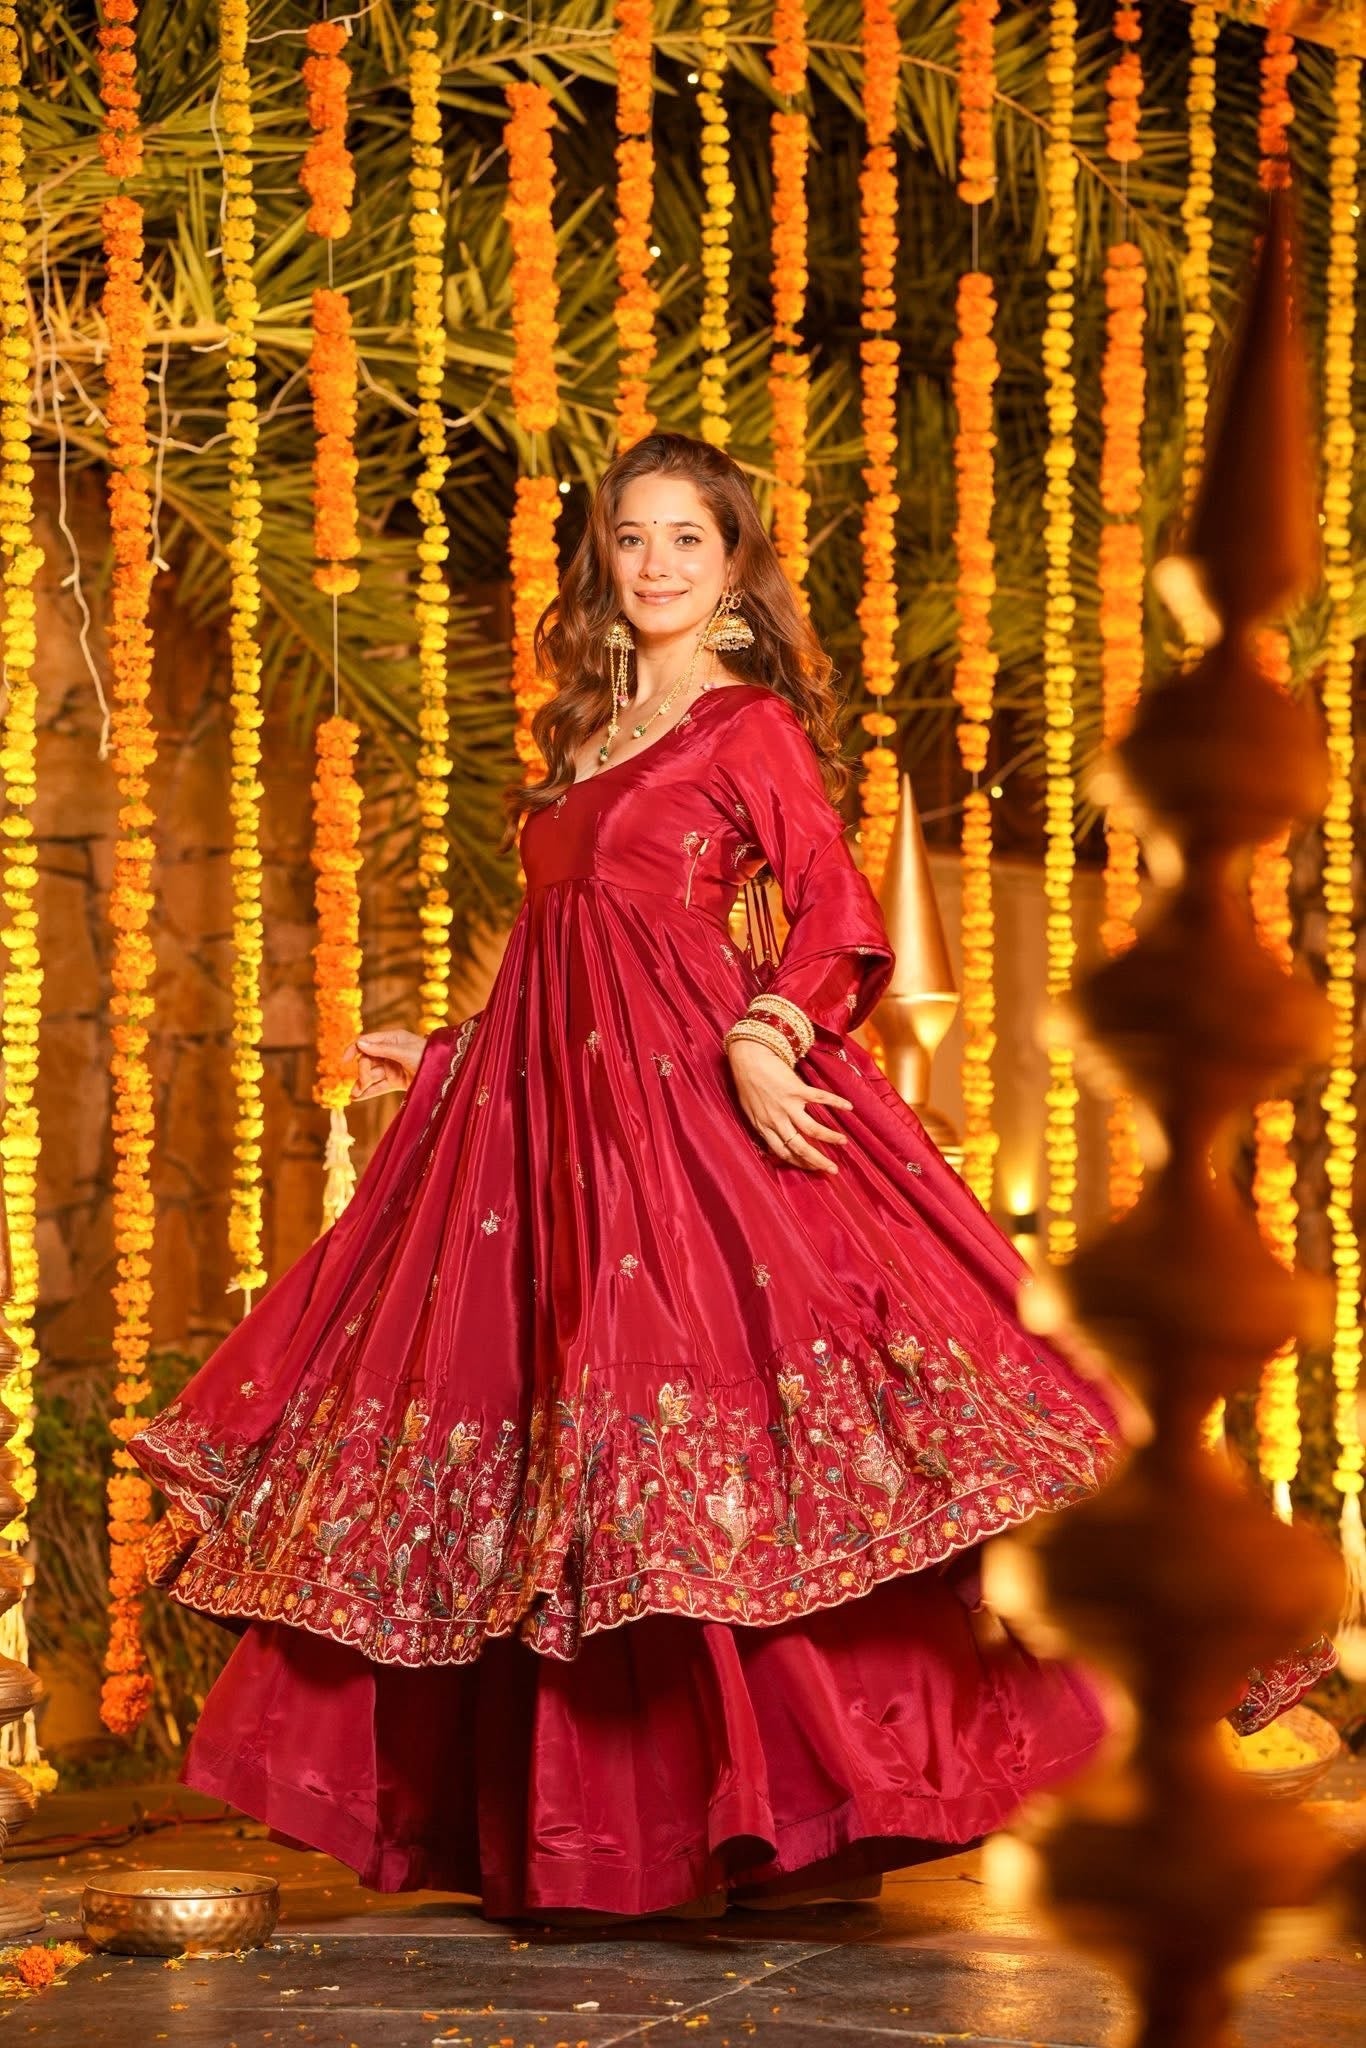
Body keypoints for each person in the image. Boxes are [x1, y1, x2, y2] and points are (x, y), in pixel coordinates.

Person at [127, 432, 1331, 1923]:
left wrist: (772, 1032)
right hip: (563, 1150)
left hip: (702, 1132)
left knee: (745, 1472)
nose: (653, 568)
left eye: (685, 542)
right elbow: (569, 969)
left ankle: (809, 1819)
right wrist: (440, 1059)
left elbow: (831, 912)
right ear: (602, 559)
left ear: (732, 564)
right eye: (630, 540)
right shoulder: (581, 742)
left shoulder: (742, 725)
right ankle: (612, 1846)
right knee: (577, 1480)